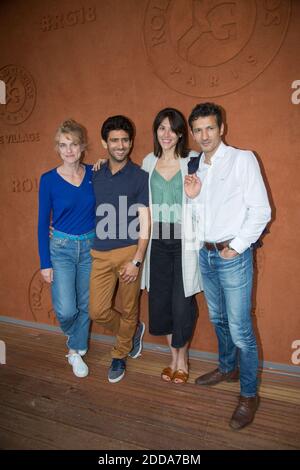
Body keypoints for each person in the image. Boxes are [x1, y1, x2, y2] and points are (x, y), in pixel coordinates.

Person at [184, 102, 271, 429]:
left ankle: (249, 395)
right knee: (217, 317)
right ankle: (227, 367)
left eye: (210, 128)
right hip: (206, 254)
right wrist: (193, 197)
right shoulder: (197, 166)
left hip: (231, 256)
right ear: (192, 134)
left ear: (222, 129)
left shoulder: (242, 159)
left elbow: (260, 211)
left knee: (240, 329)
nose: (204, 135)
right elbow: (206, 212)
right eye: (198, 130)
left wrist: (235, 247)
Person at [141, 108, 202, 384]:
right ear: (156, 131)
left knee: (182, 303)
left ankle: (183, 359)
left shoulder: (192, 161)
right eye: (161, 128)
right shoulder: (147, 162)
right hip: (156, 242)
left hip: (184, 241)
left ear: (180, 134)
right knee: (161, 302)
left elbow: (205, 197)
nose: (166, 134)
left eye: (172, 129)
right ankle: (172, 358)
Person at [89, 115, 150, 383]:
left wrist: (137, 260)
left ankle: (120, 353)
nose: (120, 145)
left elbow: (145, 220)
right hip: (100, 252)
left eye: (125, 140)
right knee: (97, 311)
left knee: (128, 308)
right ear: (105, 143)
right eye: (114, 140)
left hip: (128, 251)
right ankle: (131, 332)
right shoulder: (95, 173)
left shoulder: (140, 177)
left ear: (131, 142)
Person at [38, 119, 96, 378]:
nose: (69, 150)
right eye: (63, 145)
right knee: (66, 309)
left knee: (86, 304)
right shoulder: (48, 180)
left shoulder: (95, 174)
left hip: (90, 247)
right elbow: (42, 223)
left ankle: (75, 350)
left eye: (73, 144)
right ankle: (75, 339)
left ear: (82, 146)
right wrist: (45, 262)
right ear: (57, 148)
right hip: (60, 248)